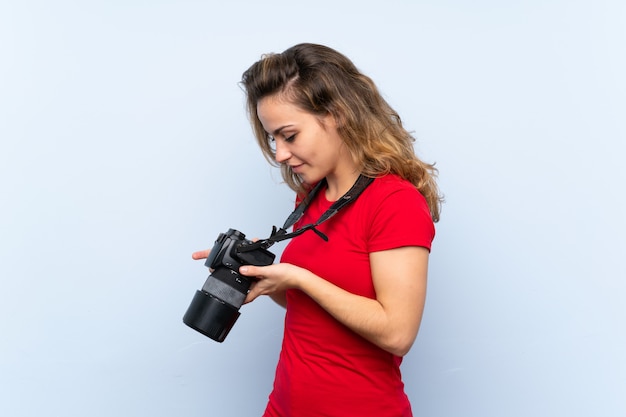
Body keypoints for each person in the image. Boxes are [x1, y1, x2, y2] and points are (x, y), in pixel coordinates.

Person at [193, 43, 442, 417]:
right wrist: (264, 278)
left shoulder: (395, 201)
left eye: (289, 136)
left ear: (336, 114)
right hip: (284, 405)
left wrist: (300, 278)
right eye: (273, 138)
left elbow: (397, 333)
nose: (279, 154)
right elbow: (314, 311)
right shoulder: (312, 197)